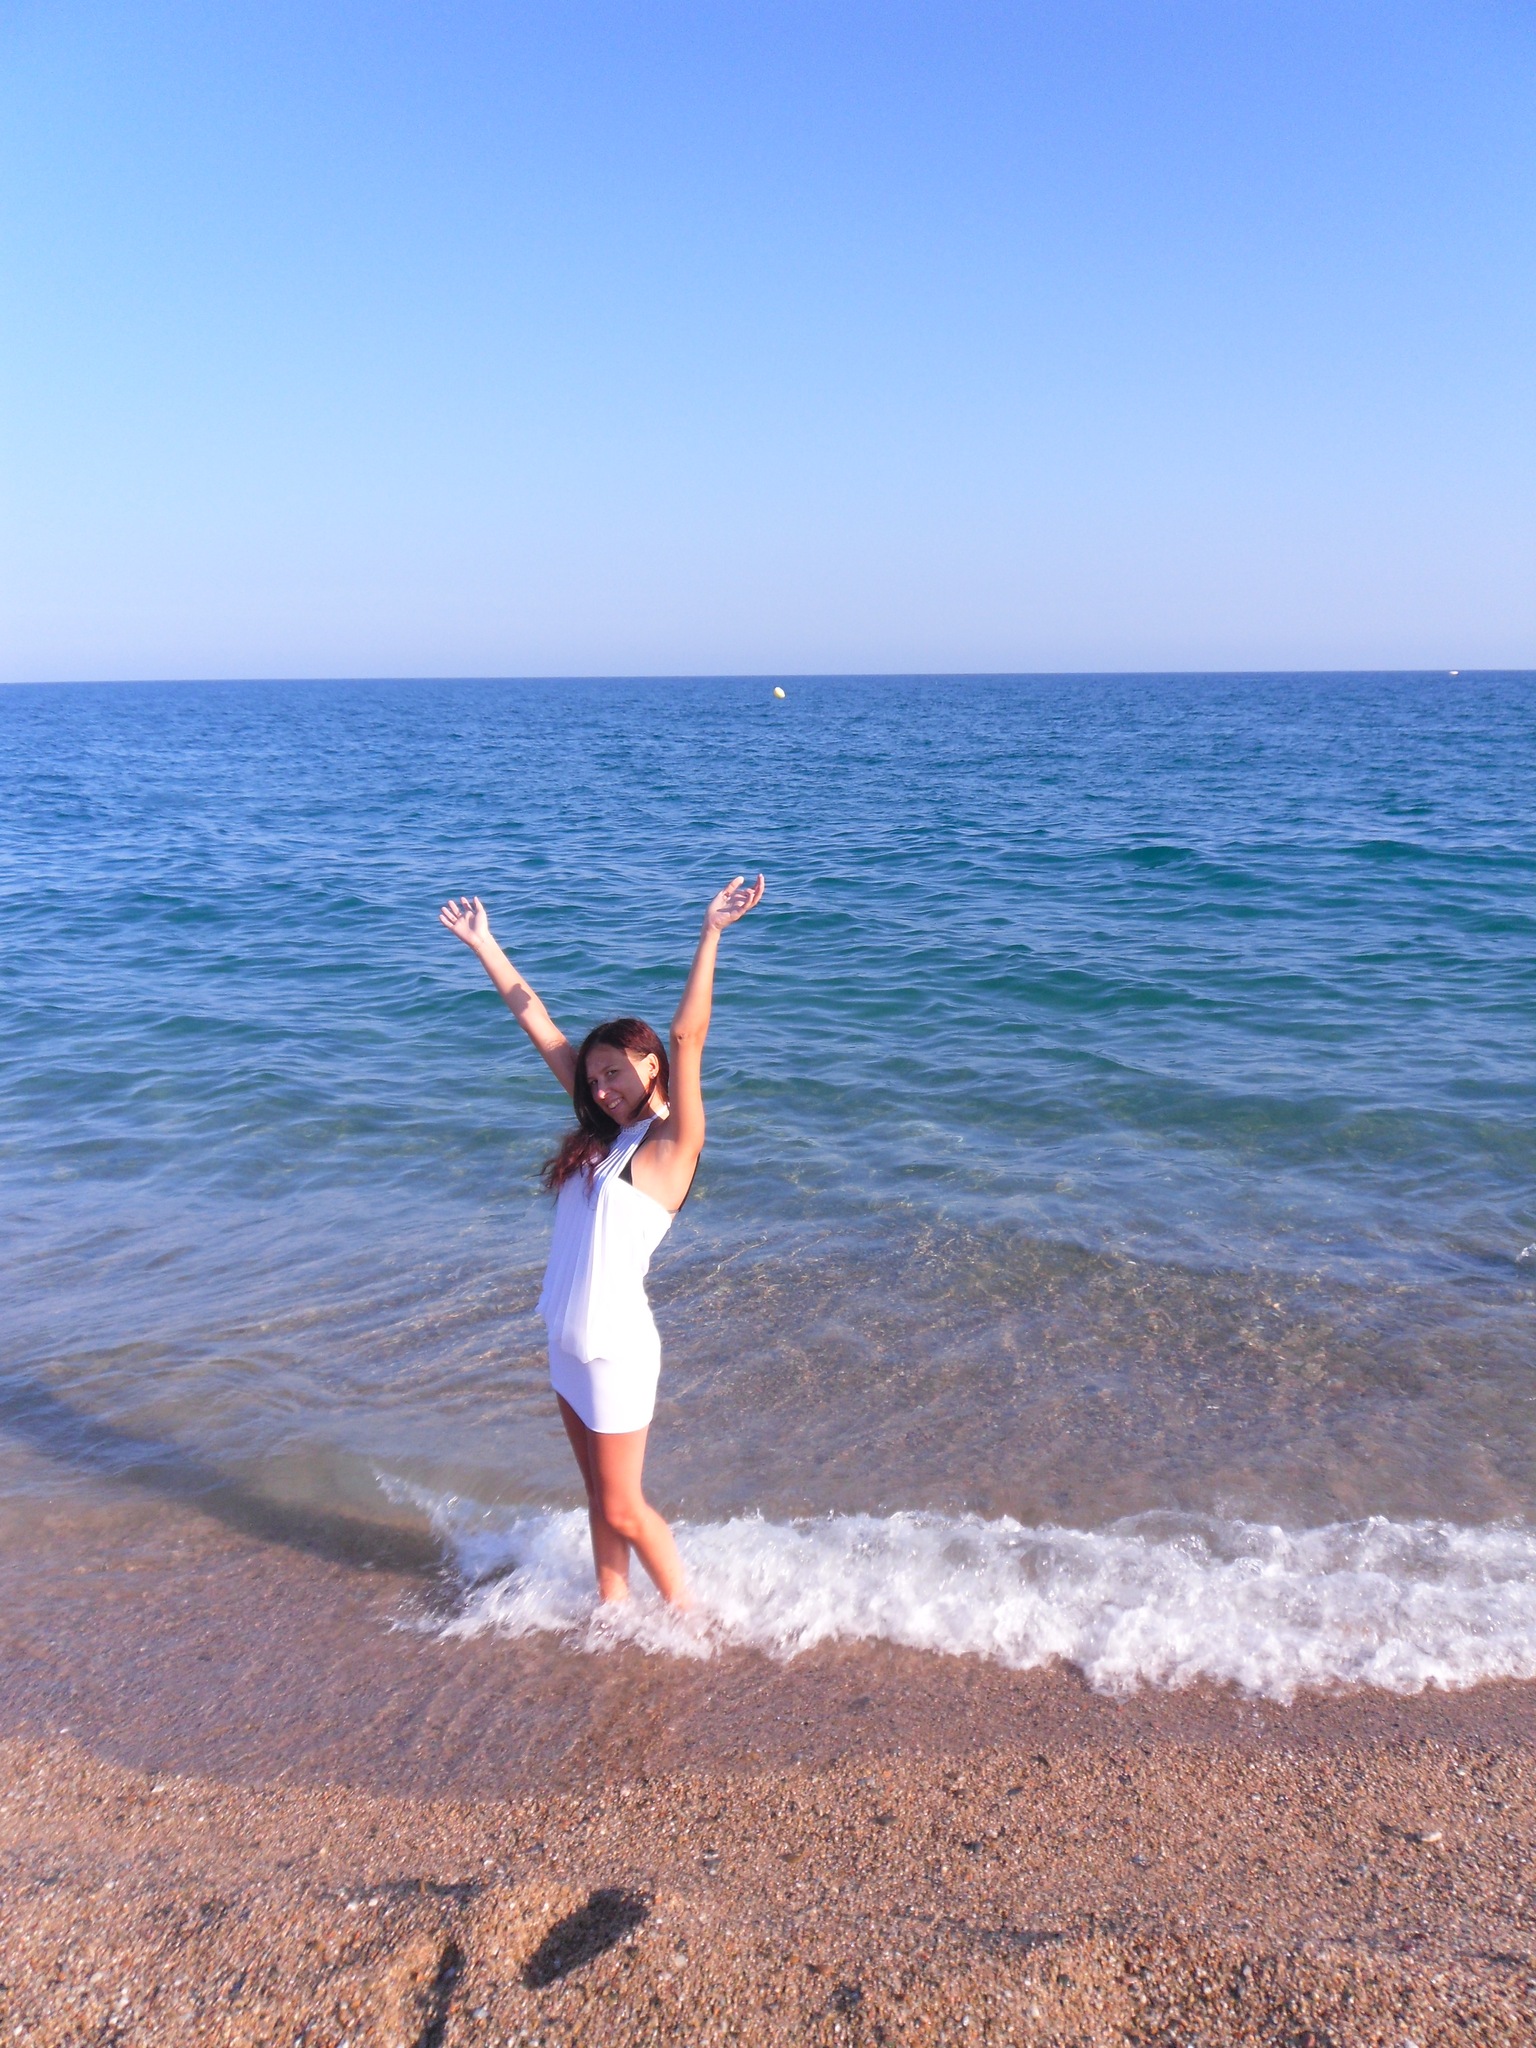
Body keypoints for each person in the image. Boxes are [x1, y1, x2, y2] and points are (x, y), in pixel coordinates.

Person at [438, 875, 766, 1608]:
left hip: (616, 1348)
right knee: (598, 1500)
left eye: (614, 1072)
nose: (602, 1088)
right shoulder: (606, 1137)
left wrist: (710, 933)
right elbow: (541, 1026)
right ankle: (612, 1614)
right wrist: (485, 944)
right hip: (564, 1340)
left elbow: (688, 1035)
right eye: (593, 1079)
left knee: (624, 1505)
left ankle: (690, 1619)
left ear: (650, 1066)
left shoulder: (671, 1144)